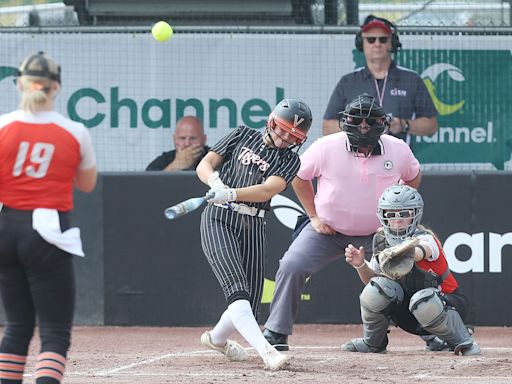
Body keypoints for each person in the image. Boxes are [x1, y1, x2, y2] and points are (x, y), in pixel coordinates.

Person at [262, 94, 421, 351]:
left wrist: (395, 214)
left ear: (382, 122)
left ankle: (432, 333)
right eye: (358, 121)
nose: (364, 128)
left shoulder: (397, 148)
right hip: (329, 231)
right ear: (346, 121)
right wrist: (313, 216)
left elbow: (413, 176)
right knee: (292, 264)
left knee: (413, 274)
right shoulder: (326, 146)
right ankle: (276, 332)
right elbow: (299, 177)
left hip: (380, 235)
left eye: (370, 122)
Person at [0, 52, 97, 384]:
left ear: (21, 85)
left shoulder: (2, 125)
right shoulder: (74, 131)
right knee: (54, 333)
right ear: (55, 88)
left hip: (6, 228)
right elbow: (86, 183)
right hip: (47, 232)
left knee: (16, 327)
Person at [196, 99, 312, 370]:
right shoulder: (242, 134)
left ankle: (216, 339)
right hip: (219, 217)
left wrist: (232, 193)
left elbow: (267, 190)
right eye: (282, 130)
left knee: (249, 300)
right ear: (271, 122)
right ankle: (267, 352)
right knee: (236, 290)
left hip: (253, 224)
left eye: (293, 136)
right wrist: (215, 182)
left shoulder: (290, 160)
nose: (284, 139)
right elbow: (206, 164)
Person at [342, 184, 480, 356]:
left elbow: (421, 251)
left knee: (423, 300)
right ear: (384, 217)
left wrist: (401, 252)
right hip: (411, 314)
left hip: (448, 306)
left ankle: (463, 342)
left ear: (415, 215)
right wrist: (360, 264)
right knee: (377, 289)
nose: (398, 220)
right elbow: (372, 279)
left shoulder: (426, 238)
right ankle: (373, 344)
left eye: (404, 214)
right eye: (391, 215)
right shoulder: (381, 241)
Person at [322, 15, 438, 148]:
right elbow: (327, 127)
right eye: (371, 40)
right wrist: (357, 126)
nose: (377, 44)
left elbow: (431, 125)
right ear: (362, 44)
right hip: (355, 162)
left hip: (397, 160)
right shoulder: (348, 81)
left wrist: (403, 125)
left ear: (392, 44)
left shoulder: (411, 79)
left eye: (383, 39)